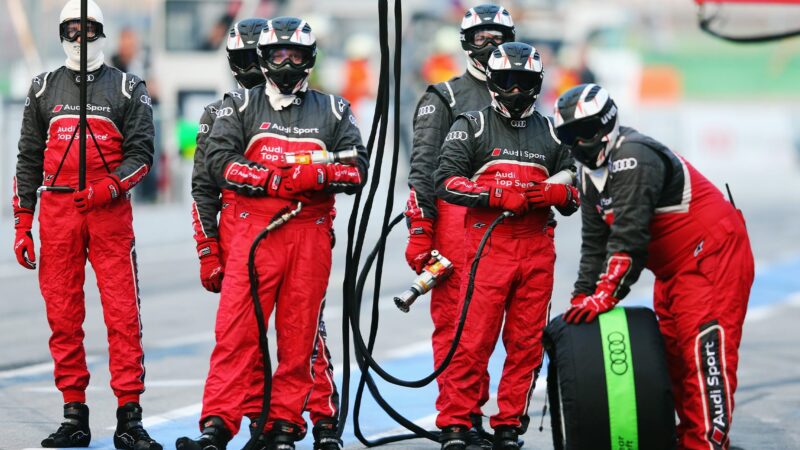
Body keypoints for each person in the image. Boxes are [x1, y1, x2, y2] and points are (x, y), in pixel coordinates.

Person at [556, 84, 754, 450]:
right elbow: (594, 246)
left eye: (586, 131)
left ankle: (707, 444)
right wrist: (581, 297)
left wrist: (605, 295)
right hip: (673, 270)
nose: (580, 143)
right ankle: (688, 437)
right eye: (570, 135)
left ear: (607, 123)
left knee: (704, 354)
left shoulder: (633, 155)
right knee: (674, 358)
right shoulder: (588, 175)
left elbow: (630, 239)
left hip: (712, 256)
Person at [201, 16, 368, 449]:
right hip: (253, 234)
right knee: (236, 334)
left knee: (299, 338)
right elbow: (219, 161)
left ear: (310, 59)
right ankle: (218, 424)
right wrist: (271, 180)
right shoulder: (239, 107)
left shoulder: (334, 109)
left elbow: (357, 169)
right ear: (265, 57)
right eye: (280, 54)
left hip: (309, 234)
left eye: (296, 55)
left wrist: (314, 176)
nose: (288, 63)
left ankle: (284, 427)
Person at [12, 0, 160, 448]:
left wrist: (109, 188)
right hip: (57, 215)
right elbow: (27, 159)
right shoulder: (42, 89)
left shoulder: (129, 88)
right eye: (72, 30)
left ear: (101, 32)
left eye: (88, 29)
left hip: (109, 213)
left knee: (123, 317)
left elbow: (142, 155)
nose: (80, 37)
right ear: (62, 34)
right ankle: (73, 413)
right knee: (63, 317)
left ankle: (129, 418)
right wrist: (23, 222)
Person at [433, 42, 579, 450]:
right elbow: (444, 181)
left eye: (524, 82)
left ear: (537, 84)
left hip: (536, 248)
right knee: (472, 340)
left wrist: (556, 195)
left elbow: (577, 187)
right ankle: (457, 423)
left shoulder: (552, 130)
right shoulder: (471, 124)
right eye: (506, 82)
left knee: (527, 344)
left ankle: (509, 424)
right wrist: (495, 195)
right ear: (492, 82)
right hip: (486, 245)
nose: (515, 91)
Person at [403, 5, 515, 444]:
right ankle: (456, 420)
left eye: (499, 35)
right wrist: (420, 229)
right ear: (467, 42)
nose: (491, 44)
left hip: (509, 226)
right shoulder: (445, 96)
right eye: (482, 36)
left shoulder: (523, 89)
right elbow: (422, 171)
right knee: (458, 326)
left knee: (500, 333)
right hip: (454, 223)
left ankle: (487, 420)